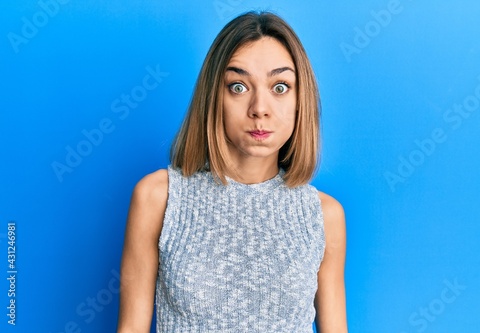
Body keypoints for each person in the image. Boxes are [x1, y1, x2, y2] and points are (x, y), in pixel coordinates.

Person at [116, 11, 347, 333]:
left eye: (280, 87)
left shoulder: (323, 215)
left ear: (300, 101)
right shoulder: (158, 198)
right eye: (238, 86)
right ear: (214, 97)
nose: (259, 108)